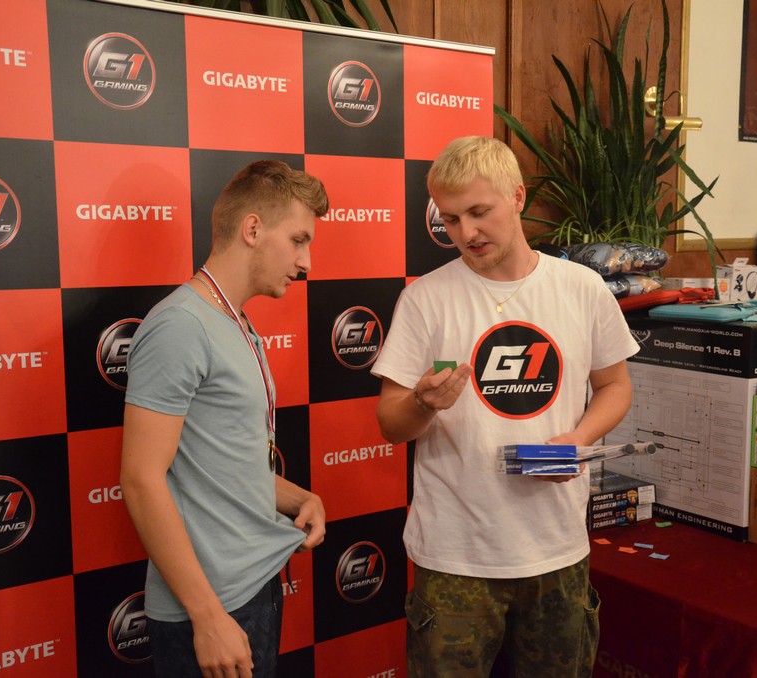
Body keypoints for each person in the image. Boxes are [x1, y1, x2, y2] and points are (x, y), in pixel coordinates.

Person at [371, 136, 639, 677]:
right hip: (454, 556)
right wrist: (423, 402)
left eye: (479, 212)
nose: (465, 233)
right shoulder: (425, 298)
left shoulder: (583, 288)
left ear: (517, 197)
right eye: (450, 219)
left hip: (557, 547)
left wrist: (578, 440)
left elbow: (615, 386)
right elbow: (390, 424)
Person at [120, 160, 328, 678]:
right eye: (298, 240)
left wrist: (298, 498)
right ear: (252, 229)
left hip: (251, 586)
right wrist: (208, 616)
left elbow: (219, 463)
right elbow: (141, 480)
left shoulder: (232, 321)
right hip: (212, 607)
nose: (305, 262)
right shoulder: (180, 326)